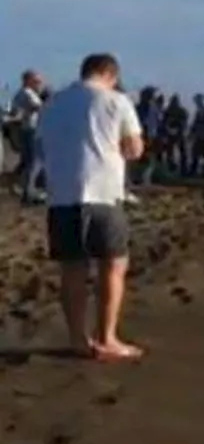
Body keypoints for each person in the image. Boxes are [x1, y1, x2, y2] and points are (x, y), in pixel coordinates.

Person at [36, 53, 145, 361]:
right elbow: (134, 148)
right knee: (113, 264)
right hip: (103, 193)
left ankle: (77, 339)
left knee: (72, 268)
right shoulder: (116, 100)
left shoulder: (53, 103)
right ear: (110, 75)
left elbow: (42, 146)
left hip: (62, 195)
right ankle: (106, 337)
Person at [11, 70, 45, 203]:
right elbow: (38, 107)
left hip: (27, 129)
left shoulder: (22, 93)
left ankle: (19, 185)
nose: (39, 84)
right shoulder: (27, 93)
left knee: (27, 161)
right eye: (37, 81)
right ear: (28, 81)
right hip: (31, 129)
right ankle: (29, 191)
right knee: (36, 161)